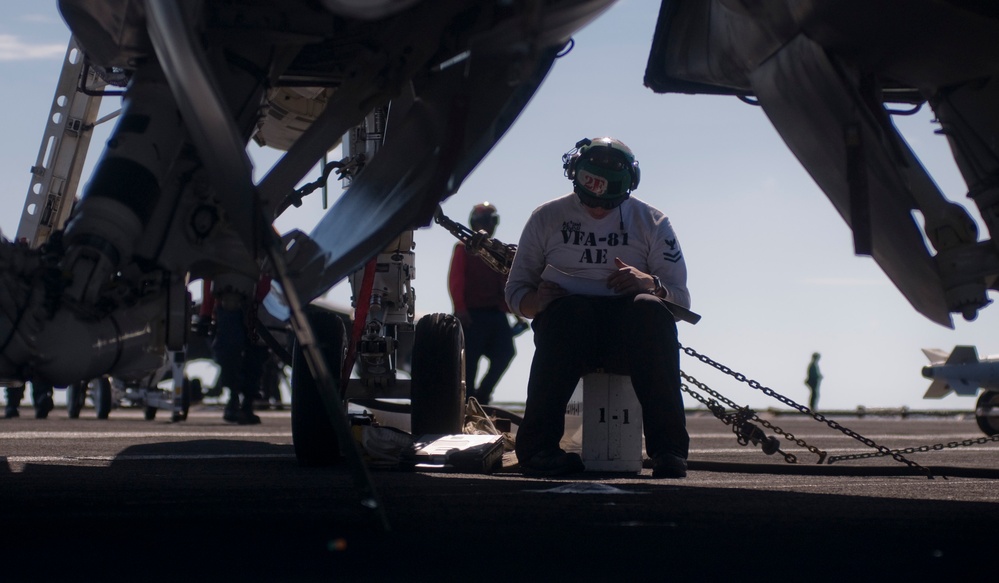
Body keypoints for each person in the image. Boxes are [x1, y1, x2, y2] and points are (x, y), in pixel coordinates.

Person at [505, 137, 691, 478]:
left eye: (609, 203)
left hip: (630, 339)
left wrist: (649, 283)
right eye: (590, 200)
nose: (598, 211)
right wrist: (538, 301)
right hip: (569, 334)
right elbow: (517, 291)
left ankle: (670, 451)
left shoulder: (652, 222)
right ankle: (538, 449)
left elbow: (681, 300)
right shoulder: (546, 217)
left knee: (650, 309)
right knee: (571, 312)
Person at [447, 202, 517, 405]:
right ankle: (467, 405)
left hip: (495, 314)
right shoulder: (463, 247)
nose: (489, 224)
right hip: (472, 315)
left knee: (505, 353)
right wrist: (460, 309)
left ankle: (482, 396)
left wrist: (514, 310)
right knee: (470, 363)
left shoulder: (498, 250)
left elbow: (504, 282)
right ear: (475, 222)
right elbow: (456, 280)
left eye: (491, 220)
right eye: (485, 220)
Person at [198, 274, 271, 424]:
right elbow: (211, 275)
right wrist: (206, 312)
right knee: (230, 351)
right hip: (231, 302)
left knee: (256, 354)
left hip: (259, 304)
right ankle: (235, 397)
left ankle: (245, 402)